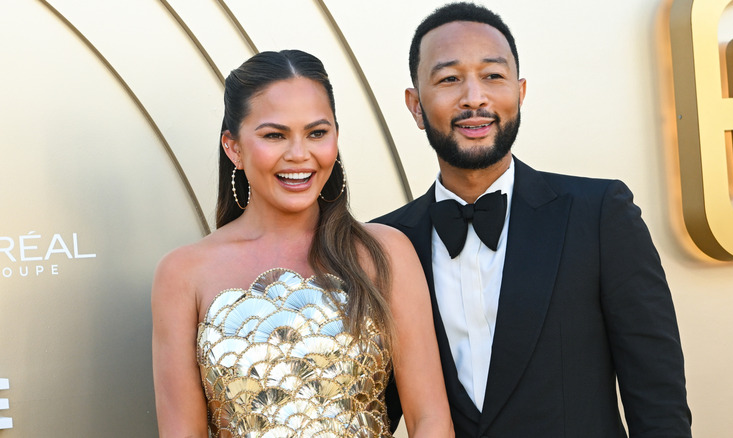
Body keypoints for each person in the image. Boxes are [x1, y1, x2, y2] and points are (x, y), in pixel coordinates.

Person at [374, 3, 692, 437]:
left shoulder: (598, 213)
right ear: (415, 106)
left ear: (520, 93)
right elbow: (370, 409)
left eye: (493, 75)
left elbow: (658, 397)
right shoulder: (384, 244)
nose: (474, 97)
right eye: (449, 79)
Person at [151, 50, 453, 437]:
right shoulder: (183, 273)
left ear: (336, 139)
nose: (299, 154)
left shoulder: (386, 252)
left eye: (317, 133)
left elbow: (431, 419)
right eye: (275, 135)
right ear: (234, 147)